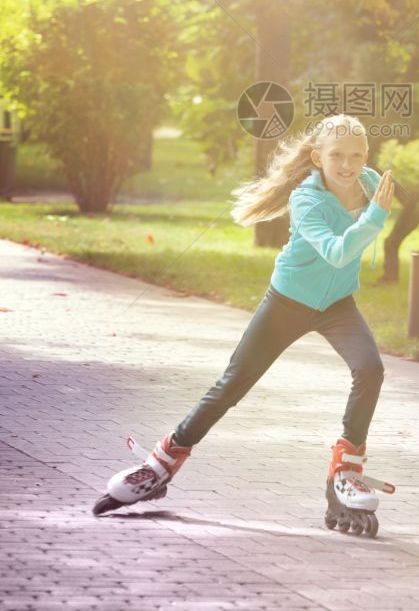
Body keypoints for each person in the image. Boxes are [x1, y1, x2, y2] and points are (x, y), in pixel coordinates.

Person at [94, 113, 395, 533]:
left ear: (367, 155)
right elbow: (337, 252)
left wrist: (375, 209)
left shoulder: (369, 182)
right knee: (233, 383)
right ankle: (161, 464)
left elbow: (366, 230)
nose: (348, 164)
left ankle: (344, 471)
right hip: (287, 301)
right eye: (337, 155)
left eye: (357, 154)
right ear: (317, 157)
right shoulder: (306, 199)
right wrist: (375, 216)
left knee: (370, 369)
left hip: (338, 305)